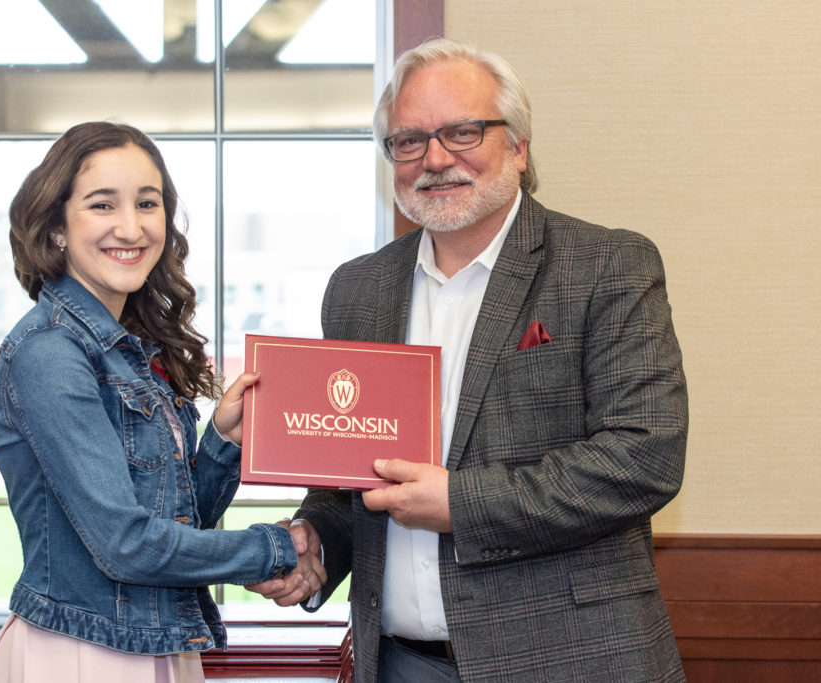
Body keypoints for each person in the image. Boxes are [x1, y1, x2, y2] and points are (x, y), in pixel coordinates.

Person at [247, 39, 688, 682]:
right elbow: (349, 474)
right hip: (399, 663)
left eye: (462, 131)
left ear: (519, 145)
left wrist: (462, 502)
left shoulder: (608, 267)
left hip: (571, 662)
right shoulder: (357, 290)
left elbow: (644, 457)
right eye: (409, 140)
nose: (435, 158)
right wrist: (318, 540)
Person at [0, 121, 319, 682]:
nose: (131, 226)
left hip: (153, 645)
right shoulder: (50, 354)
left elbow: (177, 524)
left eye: (147, 203)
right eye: (102, 205)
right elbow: (126, 545)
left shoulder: (130, 350)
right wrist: (274, 548)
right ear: (58, 225)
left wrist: (222, 441)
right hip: (82, 653)